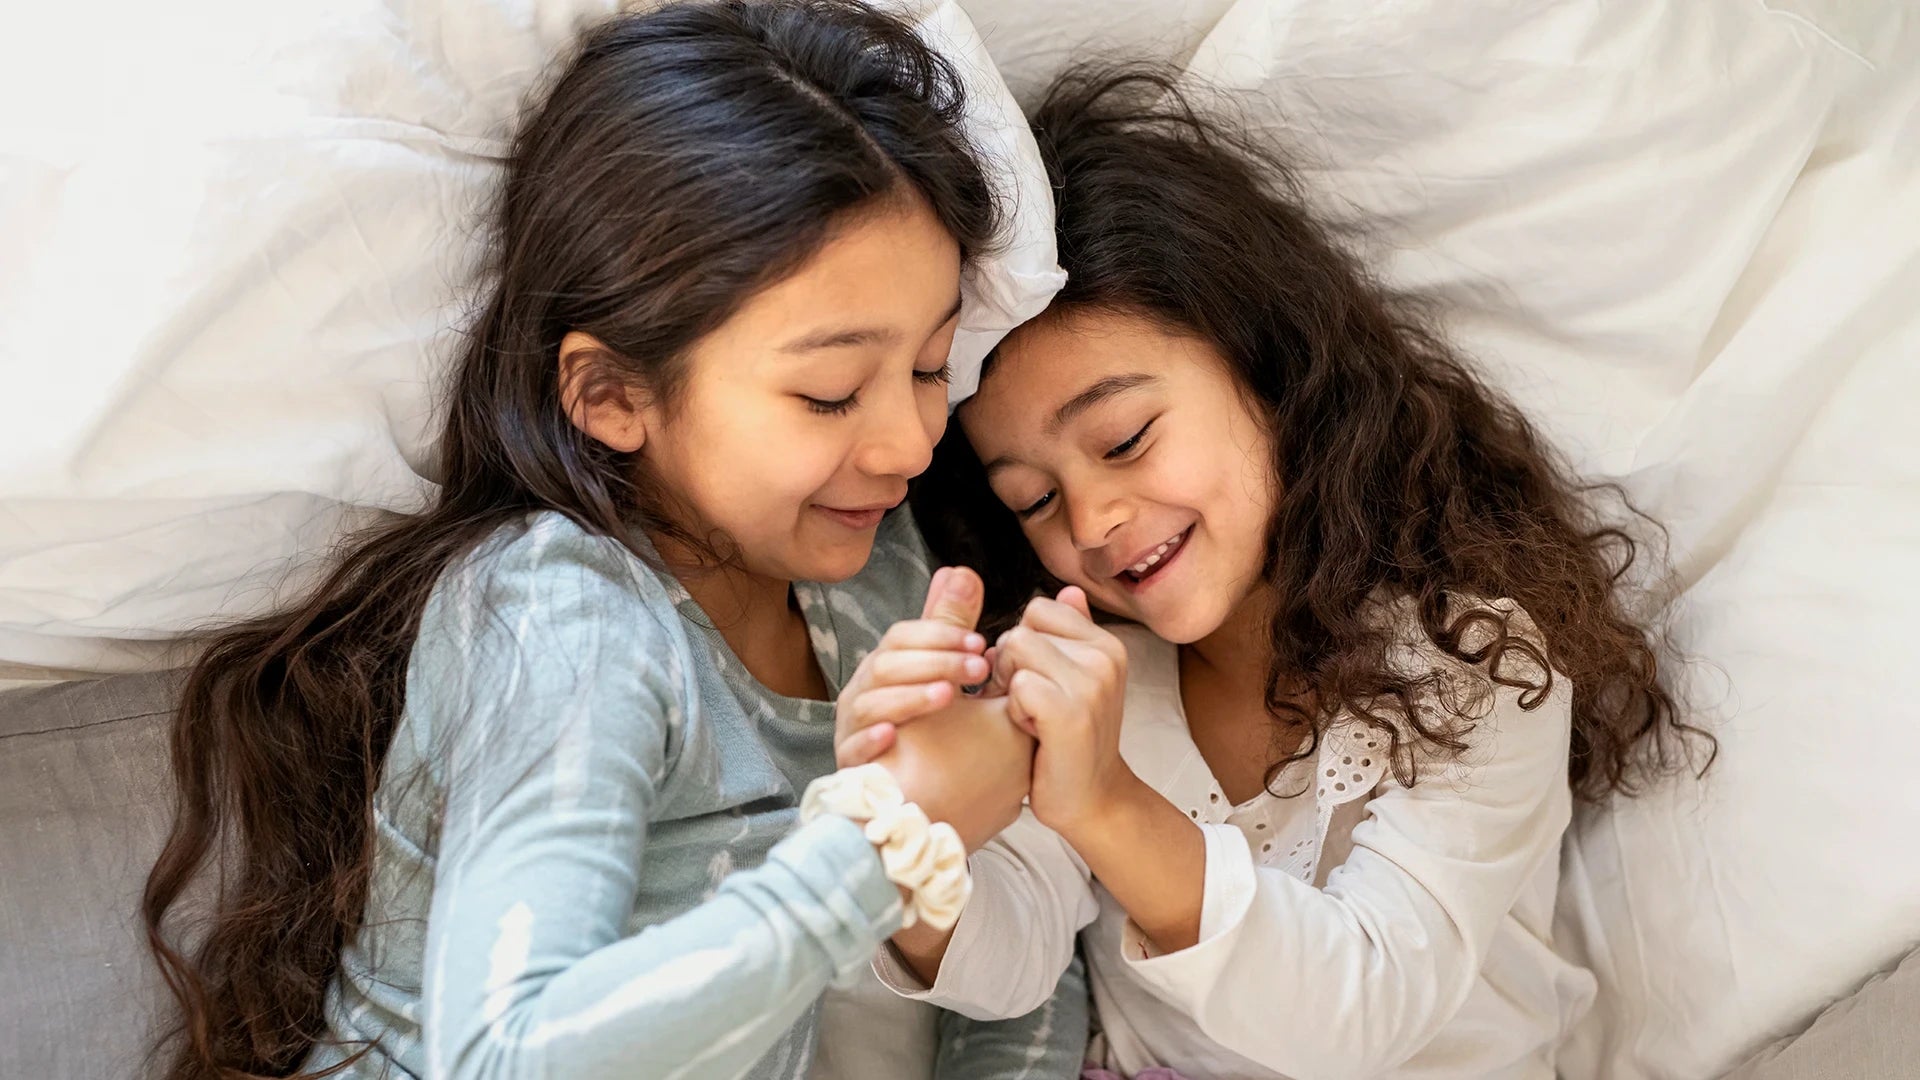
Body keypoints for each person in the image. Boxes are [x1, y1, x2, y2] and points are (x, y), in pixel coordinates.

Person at [140, 4, 1084, 1077]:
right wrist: (886, 841)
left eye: (929, 367)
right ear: (611, 393)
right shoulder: (562, 613)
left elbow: (1024, 975)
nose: (912, 442)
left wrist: (941, 841)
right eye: (829, 393)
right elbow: (508, 1055)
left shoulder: (883, 580)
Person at [847, 64, 1713, 1080]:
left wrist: (1108, 802)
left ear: (1269, 373)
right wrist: (901, 831)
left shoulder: (1469, 658)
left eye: (1125, 439)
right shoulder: (1090, 680)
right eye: (1033, 499)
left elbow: (1367, 1005)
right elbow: (1013, 959)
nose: (1093, 517)